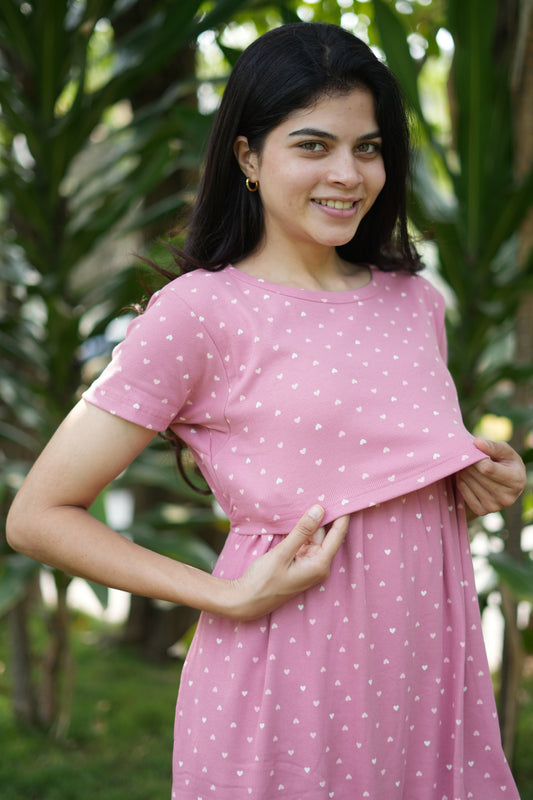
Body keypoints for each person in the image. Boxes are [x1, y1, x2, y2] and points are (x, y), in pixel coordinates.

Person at [7, 21, 526, 800]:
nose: (347, 174)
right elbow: (38, 516)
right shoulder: (199, 313)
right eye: (313, 145)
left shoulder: (413, 303)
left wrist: (474, 478)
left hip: (424, 682)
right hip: (289, 680)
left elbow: (376, 472)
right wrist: (222, 594)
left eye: (368, 148)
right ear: (247, 157)